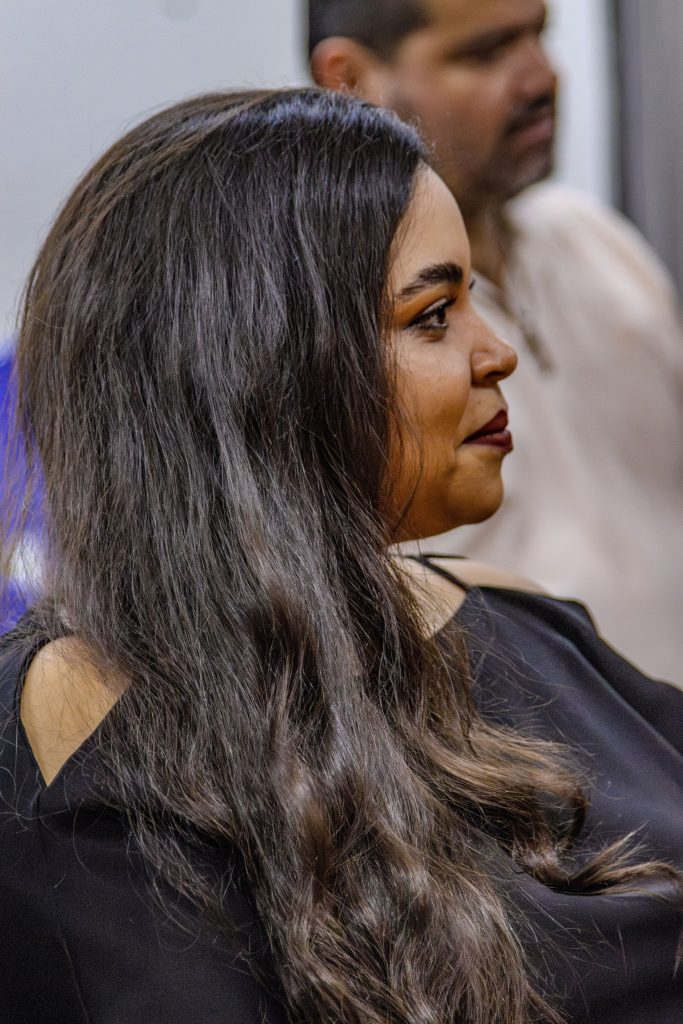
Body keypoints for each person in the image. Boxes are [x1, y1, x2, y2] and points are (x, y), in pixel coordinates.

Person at [0, 88, 681, 1024]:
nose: (496, 353)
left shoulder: (513, 621)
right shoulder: (80, 728)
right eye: (432, 315)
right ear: (261, 369)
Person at [307, 0, 683, 685]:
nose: (541, 77)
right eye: (484, 53)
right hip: (511, 742)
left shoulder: (595, 242)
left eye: (539, 35)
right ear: (350, 77)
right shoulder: (329, 328)